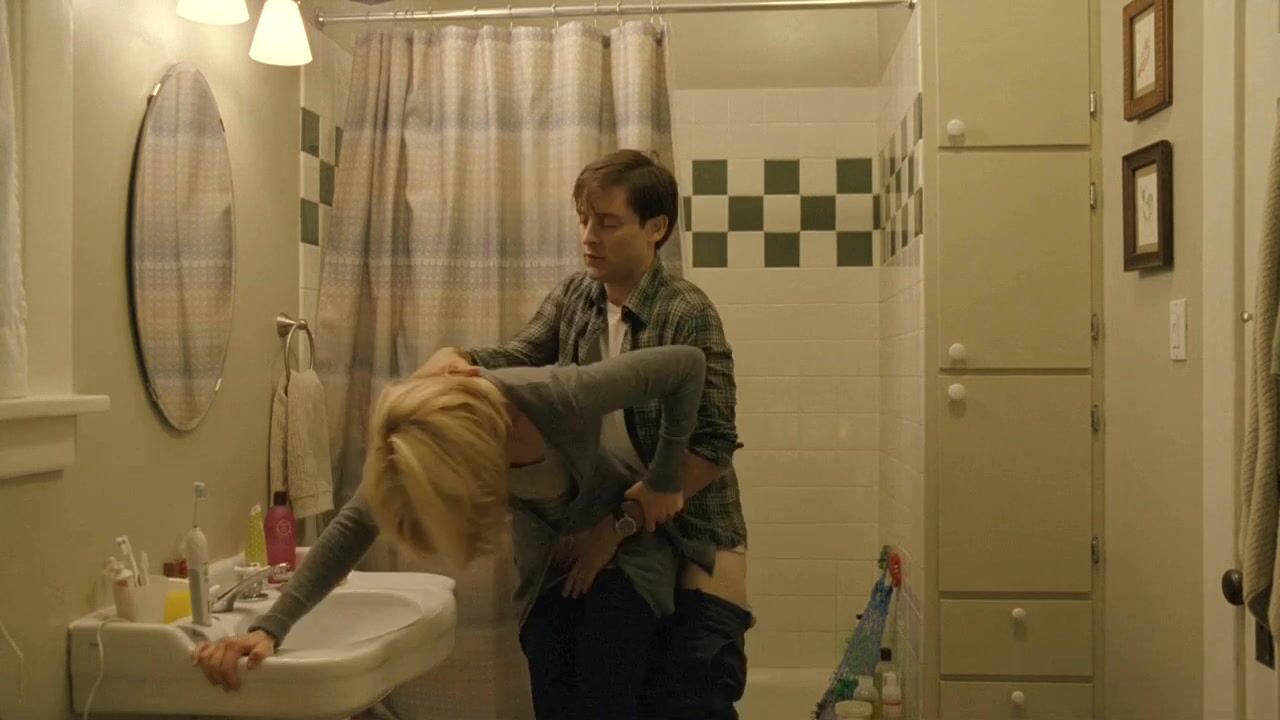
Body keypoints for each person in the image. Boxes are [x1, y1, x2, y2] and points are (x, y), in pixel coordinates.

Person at [192, 345, 710, 720]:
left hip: (627, 541)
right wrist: (270, 628)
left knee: (606, 688)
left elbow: (685, 365)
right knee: (555, 690)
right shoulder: (420, 440)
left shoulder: (556, 396)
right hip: (550, 565)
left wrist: (663, 480)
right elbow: (353, 526)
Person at [418, 148, 752, 720]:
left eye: (608, 222)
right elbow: (520, 356)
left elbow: (713, 448)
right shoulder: (577, 296)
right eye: (583, 219)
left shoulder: (687, 312)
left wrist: (616, 526)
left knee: (693, 689)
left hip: (690, 524)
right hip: (606, 509)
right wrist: (458, 358)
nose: (588, 236)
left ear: (656, 229)